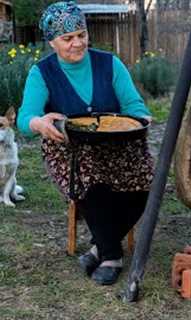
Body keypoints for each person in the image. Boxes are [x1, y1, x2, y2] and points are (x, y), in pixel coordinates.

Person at [17, 1, 154, 285]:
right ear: (52, 42)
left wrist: (140, 119)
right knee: (90, 177)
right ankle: (111, 255)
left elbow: (134, 105)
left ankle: (97, 247)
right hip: (69, 148)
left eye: (82, 35)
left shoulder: (110, 63)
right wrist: (39, 123)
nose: (77, 43)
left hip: (117, 145)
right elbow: (25, 117)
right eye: (68, 39)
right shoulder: (41, 72)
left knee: (149, 180)